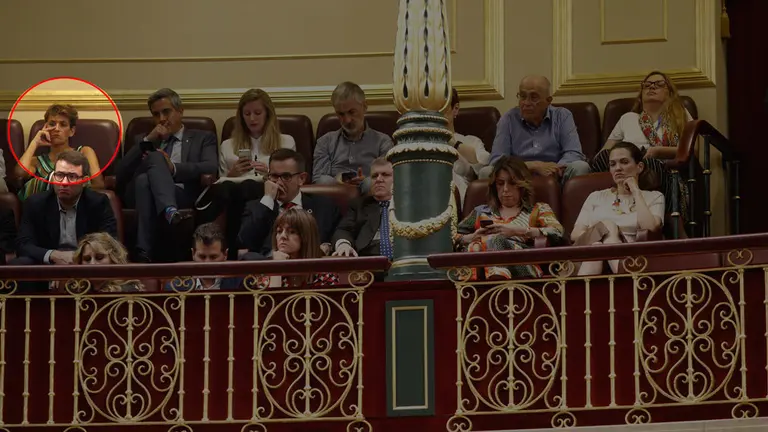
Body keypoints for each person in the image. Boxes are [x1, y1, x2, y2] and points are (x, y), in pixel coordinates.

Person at [115, 88, 218, 262]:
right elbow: (121, 172)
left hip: (181, 193)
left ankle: (143, 252)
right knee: (151, 163)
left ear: (180, 111)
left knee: (144, 180)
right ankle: (169, 211)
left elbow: (211, 166)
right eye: (156, 114)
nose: (162, 119)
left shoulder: (202, 137)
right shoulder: (144, 139)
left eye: (166, 112)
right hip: (138, 195)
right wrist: (149, 140)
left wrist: (173, 168)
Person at [590, 71, 695, 229]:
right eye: (647, 85)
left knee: (650, 163)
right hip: (628, 166)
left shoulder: (680, 114)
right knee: (602, 159)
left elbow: (693, 150)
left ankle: (664, 224)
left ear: (670, 92)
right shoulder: (628, 118)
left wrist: (659, 151)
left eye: (659, 84)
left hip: (662, 168)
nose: (651, 87)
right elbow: (605, 152)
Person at [200, 89, 297, 259]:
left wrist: (269, 174)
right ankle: (235, 249)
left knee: (249, 186)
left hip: (269, 193)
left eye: (258, 113)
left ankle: (236, 251)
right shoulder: (228, 146)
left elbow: (290, 176)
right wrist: (233, 173)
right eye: (247, 113)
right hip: (234, 195)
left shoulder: (286, 141)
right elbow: (221, 182)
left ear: (268, 114)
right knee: (233, 188)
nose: (252, 118)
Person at [455, 156, 564, 280]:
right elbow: (452, 237)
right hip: (482, 270)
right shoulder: (481, 212)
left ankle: (496, 282)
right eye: (500, 183)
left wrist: (519, 231)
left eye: (512, 183)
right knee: (475, 247)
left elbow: (557, 232)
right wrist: (471, 237)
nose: (505, 189)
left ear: (522, 186)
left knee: (496, 240)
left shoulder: (538, 209)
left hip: (523, 266)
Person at [572, 142, 665, 275]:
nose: (618, 168)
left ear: (639, 167)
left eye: (624, 162)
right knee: (603, 235)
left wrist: (635, 191)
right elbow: (576, 235)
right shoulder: (596, 196)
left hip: (634, 258)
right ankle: (625, 274)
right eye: (613, 164)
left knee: (602, 239)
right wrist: (605, 234)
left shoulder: (654, 197)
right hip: (594, 256)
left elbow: (650, 228)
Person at [482, 75, 590, 183]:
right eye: (523, 96)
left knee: (580, 167)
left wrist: (554, 170)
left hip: (557, 175)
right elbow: (497, 161)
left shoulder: (562, 116)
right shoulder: (508, 120)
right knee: (486, 172)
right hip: (517, 178)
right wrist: (532, 166)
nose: (526, 103)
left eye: (534, 97)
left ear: (548, 101)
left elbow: (573, 153)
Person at [238, 149, 340, 260]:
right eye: (274, 176)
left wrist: (328, 247)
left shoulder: (323, 205)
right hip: (269, 270)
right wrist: (268, 200)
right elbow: (245, 242)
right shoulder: (257, 207)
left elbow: (338, 233)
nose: (279, 183)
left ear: (301, 179)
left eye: (286, 177)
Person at [312, 81, 393, 194]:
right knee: (324, 180)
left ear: (364, 106)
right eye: (341, 114)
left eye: (352, 112)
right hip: (335, 199)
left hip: (370, 198)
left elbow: (388, 177)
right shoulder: (325, 141)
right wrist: (339, 182)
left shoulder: (383, 142)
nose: (347, 120)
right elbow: (318, 179)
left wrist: (364, 181)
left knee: (374, 182)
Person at [15, 104, 104, 200]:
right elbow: (20, 173)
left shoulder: (84, 152)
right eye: (52, 124)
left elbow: (98, 184)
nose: (56, 129)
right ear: (45, 128)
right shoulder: (36, 161)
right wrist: (35, 142)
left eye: (63, 124)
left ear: (71, 131)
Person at [258, 208, 339, 288]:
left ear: (307, 237)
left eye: (292, 232)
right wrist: (277, 270)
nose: (283, 236)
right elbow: (268, 300)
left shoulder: (325, 274)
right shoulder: (266, 272)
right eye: (279, 231)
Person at [332, 157, 394, 258]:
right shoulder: (359, 205)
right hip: (368, 259)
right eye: (374, 176)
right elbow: (343, 230)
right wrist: (344, 244)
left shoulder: (409, 205)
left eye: (385, 175)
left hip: (402, 258)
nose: (378, 179)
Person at [445, 88, 491, 202]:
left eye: (441, 107)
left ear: (455, 109)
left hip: (461, 203)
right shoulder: (419, 144)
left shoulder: (472, 142)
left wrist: (452, 142)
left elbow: (482, 172)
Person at [166, 223, 241, 291]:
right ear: (193, 254)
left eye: (213, 257)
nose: (207, 263)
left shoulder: (239, 285)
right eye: (202, 257)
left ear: (225, 254)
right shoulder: (176, 287)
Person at [72, 232, 144, 293]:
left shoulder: (129, 291)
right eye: (87, 259)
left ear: (113, 259)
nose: (92, 264)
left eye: (99, 257)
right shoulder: (74, 290)